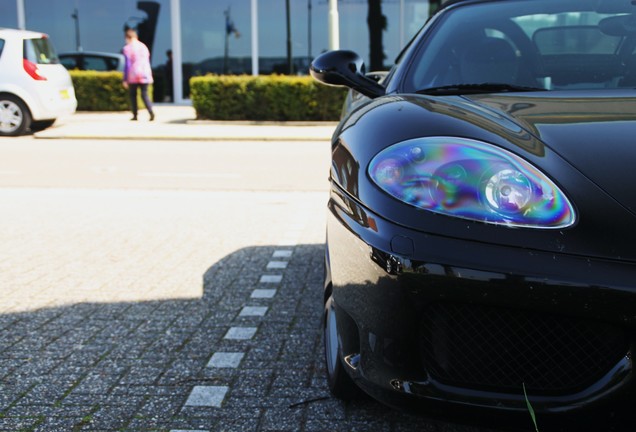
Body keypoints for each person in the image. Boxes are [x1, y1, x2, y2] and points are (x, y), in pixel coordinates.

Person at [122, 28, 154, 121]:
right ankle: (151, 111)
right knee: (144, 94)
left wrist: (125, 79)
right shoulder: (143, 46)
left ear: (128, 37)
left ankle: (135, 115)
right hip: (145, 73)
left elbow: (127, 64)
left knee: (133, 95)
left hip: (133, 74)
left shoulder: (127, 48)